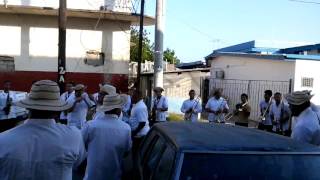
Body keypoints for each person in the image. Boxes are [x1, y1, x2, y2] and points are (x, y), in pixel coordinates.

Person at [0, 80, 86, 180]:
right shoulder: (74, 136)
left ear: (28, 107)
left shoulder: (3, 139)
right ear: (56, 110)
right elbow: (76, 163)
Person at [82, 93, 132, 180]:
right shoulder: (126, 128)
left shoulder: (90, 125)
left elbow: (81, 145)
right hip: (114, 175)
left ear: (104, 109)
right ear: (118, 110)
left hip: (92, 175)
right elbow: (126, 151)